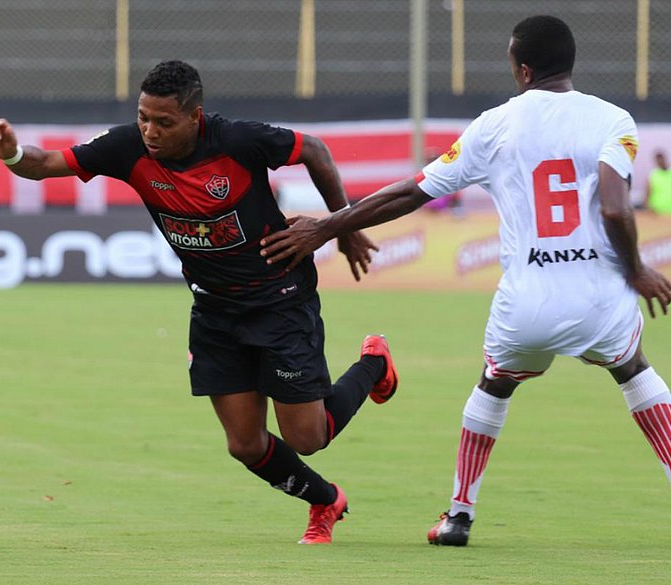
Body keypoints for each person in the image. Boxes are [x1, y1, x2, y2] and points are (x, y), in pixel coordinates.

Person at [260, 15, 671, 546]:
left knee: (493, 384)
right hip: (597, 296)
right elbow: (616, 211)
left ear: (522, 69)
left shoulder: (495, 124)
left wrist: (328, 226)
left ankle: (458, 515)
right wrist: (637, 269)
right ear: (569, 63)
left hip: (527, 303)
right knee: (634, 371)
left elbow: (411, 192)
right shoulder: (613, 119)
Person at [0, 60, 398, 545]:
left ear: (195, 116)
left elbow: (316, 151)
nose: (150, 131)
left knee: (309, 438)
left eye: (163, 122)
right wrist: (11, 155)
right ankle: (324, 501)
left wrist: (340, 225)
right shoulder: (126, 148)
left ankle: (373, 361)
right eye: (143, 117)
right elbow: (46, 164)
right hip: (215, 312)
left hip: (280, 300)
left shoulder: (239, 141)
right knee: (244, 444)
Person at [646, 150, 671, 215]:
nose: (660, 162)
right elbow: (648, 191)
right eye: (658, 160)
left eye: (661, 159)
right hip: (657, 210)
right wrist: (648, 206)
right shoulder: (653, 175)